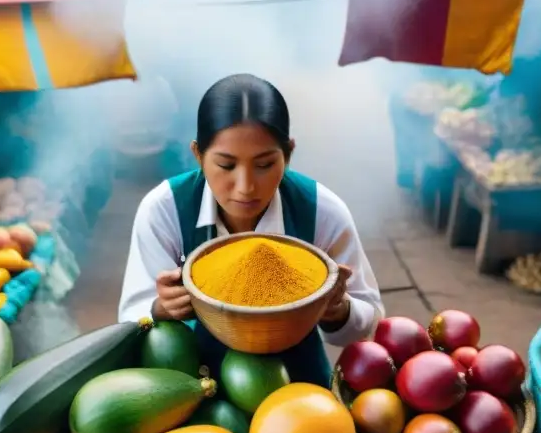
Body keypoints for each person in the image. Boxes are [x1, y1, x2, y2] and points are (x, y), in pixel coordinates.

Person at [118, 73, 384, 388]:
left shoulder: (321, 210)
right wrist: (160, 308)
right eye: (226, 166)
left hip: (298, 387)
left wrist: (338, 310)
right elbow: (130, 320)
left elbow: (366, 322)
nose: (245, 187)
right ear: (198, 155)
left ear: (288, 154)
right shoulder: (165, 209)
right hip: (194, 385)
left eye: (264, 165)